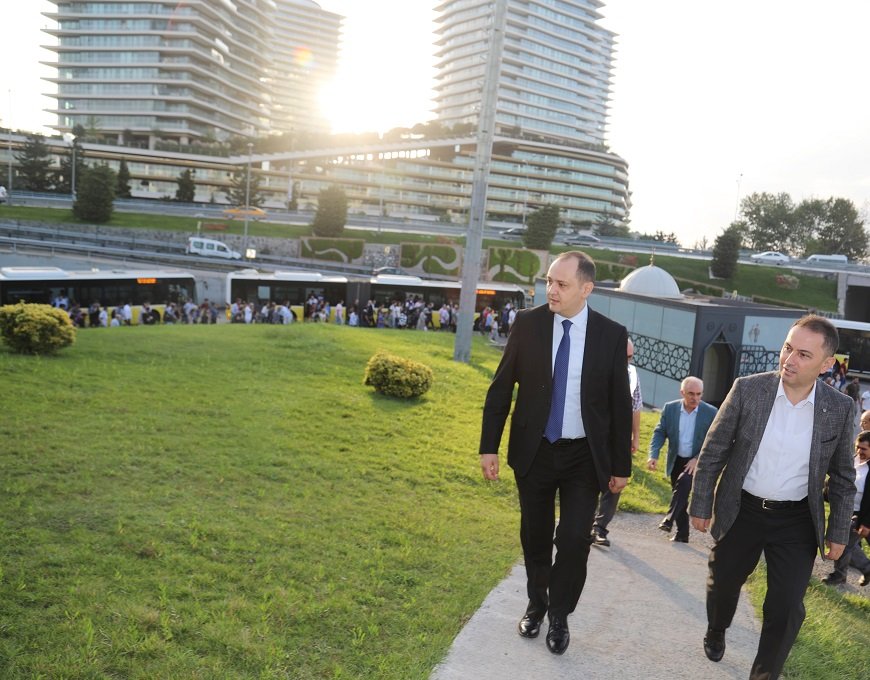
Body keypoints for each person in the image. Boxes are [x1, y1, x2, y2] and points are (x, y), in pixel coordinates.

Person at [479, 250, 632, 656]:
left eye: (561, 284)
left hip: (584, 457)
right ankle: (537, 603)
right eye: (549, 281)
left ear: (586, 289)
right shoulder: (528, 324)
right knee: (535, 533)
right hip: (534, 451)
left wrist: (620, 467)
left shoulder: (611, 335)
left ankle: (560, 615)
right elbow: (500, 388)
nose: (551, 290)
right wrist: (488, 447)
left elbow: (618, 405)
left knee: (574, 537)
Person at [689, 314, 856, 680]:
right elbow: (714, 450)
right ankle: (717, 628)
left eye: (803, 354)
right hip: (742, 509)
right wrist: (700, 503)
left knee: (785, 607)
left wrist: (839, 532)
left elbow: (844, 477)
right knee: (723, 584)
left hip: (796, 521)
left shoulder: (841, 410)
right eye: (787, 348)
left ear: (827, 364)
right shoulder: (748, 389)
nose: (789, 359)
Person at [648, 376, 717, 543]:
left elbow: (715, 441)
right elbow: (660, 432)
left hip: (696, 462)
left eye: (699, 394)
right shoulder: (670, 409)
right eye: (691, 393)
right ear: (682, 393)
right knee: (680, 496)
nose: (695, 398)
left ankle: (669, 519)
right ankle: (682, 534)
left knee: (684, 483)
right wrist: (653, 455)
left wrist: (697, 459)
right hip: (677, 459)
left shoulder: (711, 412)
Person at [591, 337, 642, 547]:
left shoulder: (632, 376)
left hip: (618, 439)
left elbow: (635, 406)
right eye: (624, 357)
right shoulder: (596, 369)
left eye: (630, 357)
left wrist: (635, 436)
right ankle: (583, 524)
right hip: (593, 437)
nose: (627, 362)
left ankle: (600, 528)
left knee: (615, 485)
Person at [821, 430, 870, 586]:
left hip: (860, 515)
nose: (859, 451)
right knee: (846, 544)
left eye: (864, 449)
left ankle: (844, 574)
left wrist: (867, 523)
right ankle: (846, 574)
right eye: (857, 447)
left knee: (845, 543)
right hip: (844, 510)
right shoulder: (852, 461)